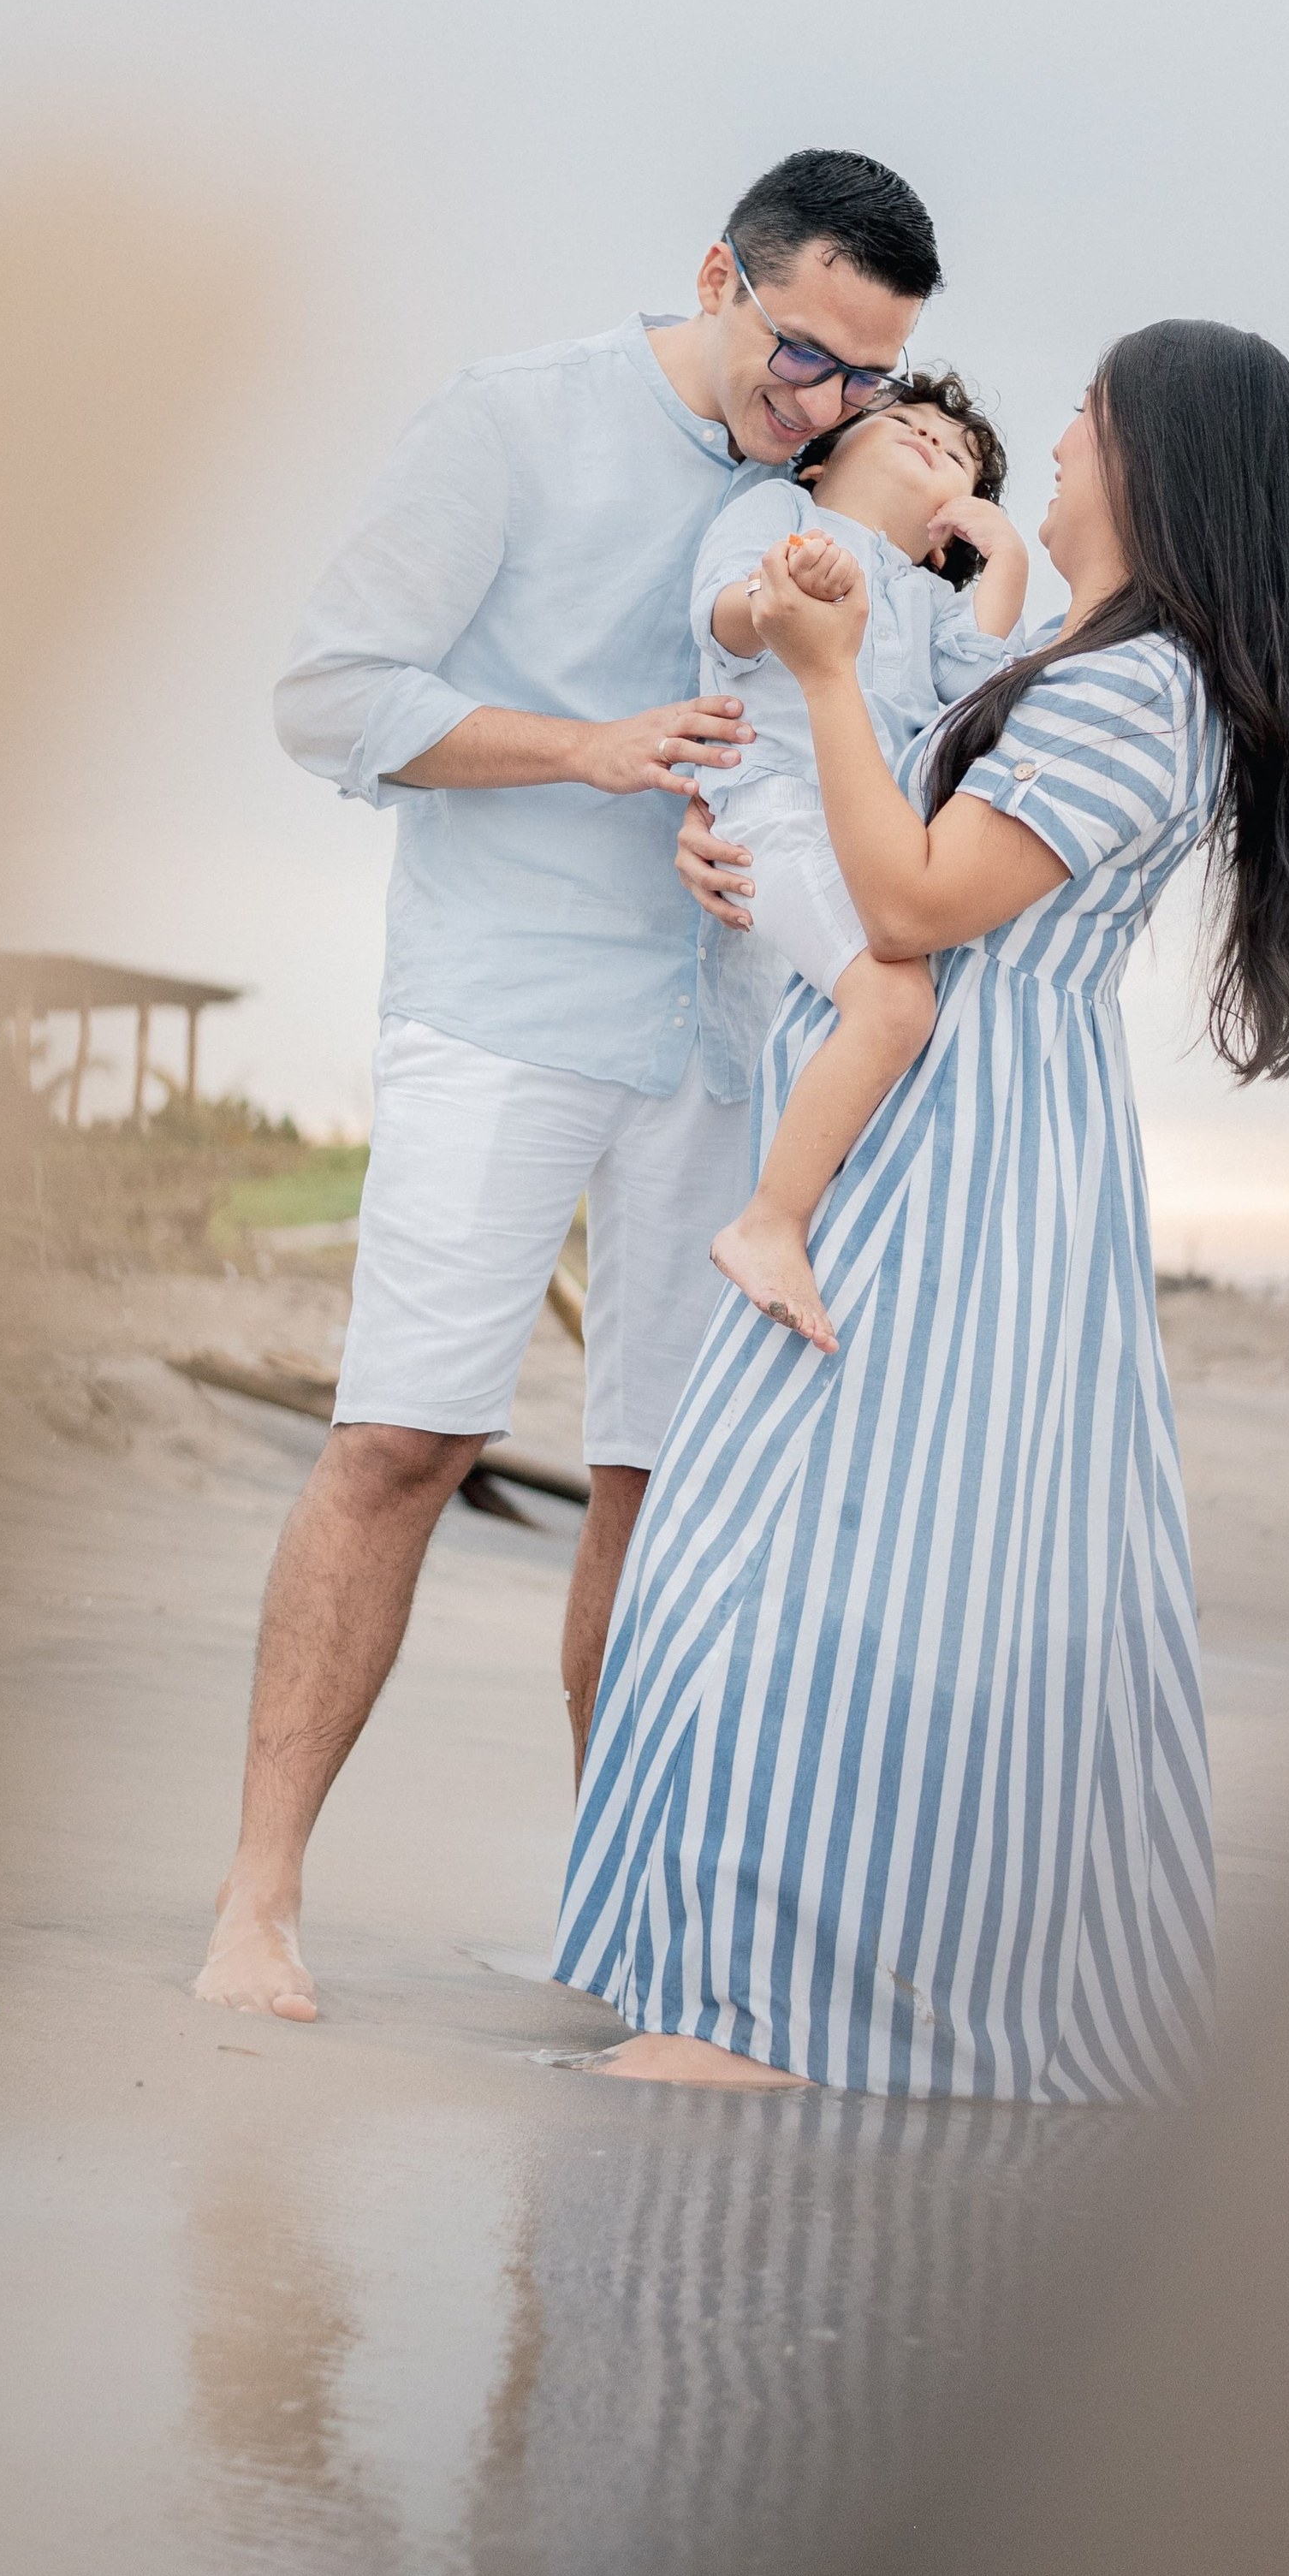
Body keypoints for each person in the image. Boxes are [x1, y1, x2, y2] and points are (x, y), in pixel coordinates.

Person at [552, 319, 1289, 2098]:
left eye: (1084, 419)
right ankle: (736, 1985)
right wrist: (745, 835)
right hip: (936, 1121)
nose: (1052, 447)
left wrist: (833, 676)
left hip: (962, 1147)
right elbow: (865, 842)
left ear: (1159, 466)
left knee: (846, 1553)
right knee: (813, 1540)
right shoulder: (1090, 663)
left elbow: (914, 902)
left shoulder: (1135, 692)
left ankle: (785, 2013)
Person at [193, 148, 942, 2023]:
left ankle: (625, 1929)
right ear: (719, 277)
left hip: (727, 1038)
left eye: (868, 376)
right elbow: (326, 695)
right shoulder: (509, 420)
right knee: (404, 1441)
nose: (825, 405)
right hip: (504, 1006)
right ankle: (256, 1906)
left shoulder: (826, 482)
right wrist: (586, 750)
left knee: (661, 1487)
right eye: (802, 356)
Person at [693, 370, 1029, 1351]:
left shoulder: (928, 601)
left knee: (893, 1012)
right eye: (906, 424)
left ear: (947, 533)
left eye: (958, 455)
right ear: (821, 457)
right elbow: (719, 616)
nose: (933, 440)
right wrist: (782, 594)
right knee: (894, 1004)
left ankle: (819, 1215)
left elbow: (979, 683)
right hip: (776, 811)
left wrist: (1005, 556)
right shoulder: (780, 512)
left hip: (865, 843)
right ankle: (768, 1223)